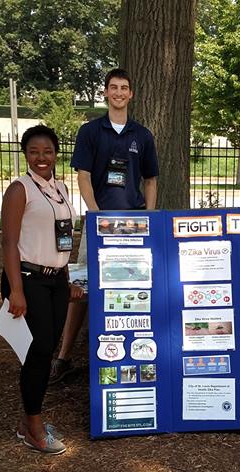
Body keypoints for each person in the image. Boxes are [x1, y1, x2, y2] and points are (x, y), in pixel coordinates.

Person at [52, 67, 160, 382]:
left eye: (124, 88)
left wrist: (149, 216)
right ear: (105, 93)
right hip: (99, 223)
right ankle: (65, 356)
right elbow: (83, 176)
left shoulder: (142, 135)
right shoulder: (90, 131)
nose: (118, 93)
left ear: (131, 94)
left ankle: (133, 351)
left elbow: (151, 179)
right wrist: (96, 214)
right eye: (113, 87)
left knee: (135, 287)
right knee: (83, 289)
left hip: (135, 224)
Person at [2, 124, 85, 454]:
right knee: (37, 353)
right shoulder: (19, 189)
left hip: (56, 280)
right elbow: (9, 242)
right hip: (28, 279)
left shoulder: (61, 188)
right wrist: (16, 290)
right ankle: (32, 427)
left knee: (47, 349)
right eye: (34, 151)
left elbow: (61, 238)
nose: (41, 157)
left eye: (47, 151)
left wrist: (67, 283)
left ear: (56, 154)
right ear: (25, 154)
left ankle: (31, 419)